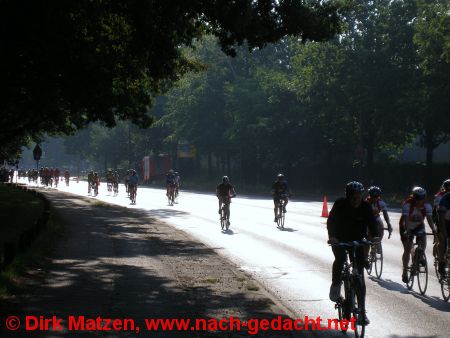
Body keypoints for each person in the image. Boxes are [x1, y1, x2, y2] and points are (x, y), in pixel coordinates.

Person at [327, 181, 379, 324]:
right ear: (348, 196)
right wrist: (332, 237)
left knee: (360, 275)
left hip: (357, 241)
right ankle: (336, 284)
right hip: (340, 240)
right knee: (340, 258)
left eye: (359, 197)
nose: (356, 200)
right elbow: (331, 221)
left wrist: (375, 236)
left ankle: (362, 311)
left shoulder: (366, 206)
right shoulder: (340, 204)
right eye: (353, 197)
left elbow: (372, 223)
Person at [399, 187, 436, 283]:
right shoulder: (407, 205)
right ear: (413, 197)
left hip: (418, 226)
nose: (420, 201)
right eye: (418, 198)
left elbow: (429, 219)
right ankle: (405, 272)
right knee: (407, 249)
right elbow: (406, 220)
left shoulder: (427, 206)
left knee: (423, 242)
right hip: (405, 226)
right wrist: (407, 232)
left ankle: (418, 257)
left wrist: (433, 230)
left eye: (422, 198)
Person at [437, 180, 450, 276]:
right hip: (444, 221)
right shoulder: (445, 198)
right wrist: (444, 232)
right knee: (443, 241)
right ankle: (441, 263)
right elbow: (441, 217)